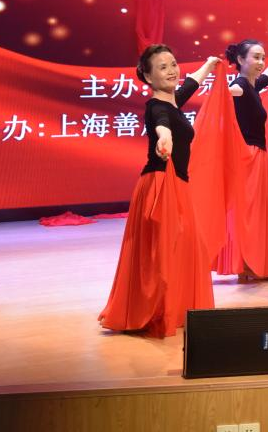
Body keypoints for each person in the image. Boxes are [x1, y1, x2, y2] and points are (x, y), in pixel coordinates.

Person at [99, 46, 219, 338]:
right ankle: (154, 311)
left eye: (173, 64)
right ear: (148, 77)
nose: (172, 71)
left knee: (179, 248)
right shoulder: (157, 107)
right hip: (161, 184)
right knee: (162, 254)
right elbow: (162, 126)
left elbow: (191, 84)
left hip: (176, 183)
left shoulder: (173, 100)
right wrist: (164, 139)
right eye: (162, 67)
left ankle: (171, 308)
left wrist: (210, 64)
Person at [212, 38, 268, 281]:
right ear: (240, 60)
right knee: (249, 211)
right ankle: (247, 264)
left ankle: (251, 263)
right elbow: (227, 93)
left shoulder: (252, 84)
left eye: (262, 57)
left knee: (254, 212)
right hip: (248, 157)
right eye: (255, 57)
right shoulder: (239, 85)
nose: (260, 62)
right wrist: (220, 87)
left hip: (257, 156)